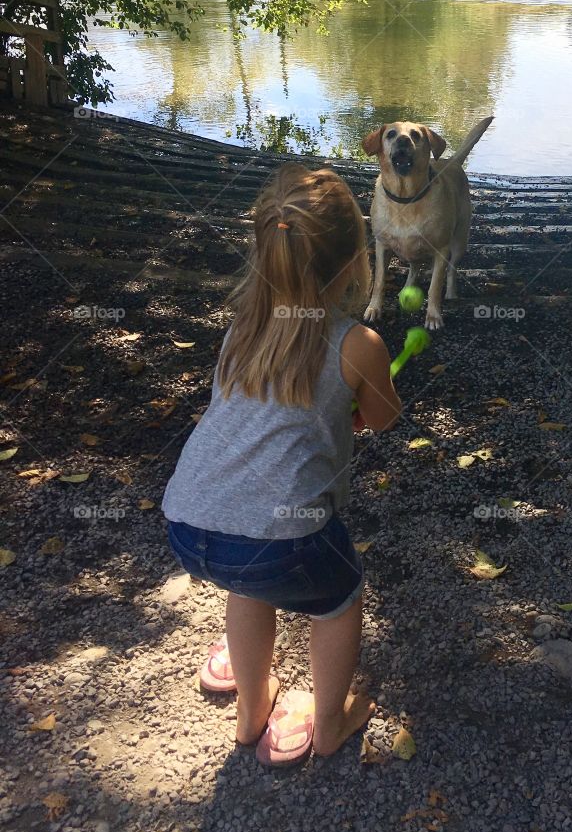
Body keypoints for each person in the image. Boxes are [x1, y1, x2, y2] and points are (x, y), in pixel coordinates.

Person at [162, 163, 401, 769]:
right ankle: (329, 723)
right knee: (341, 597)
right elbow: (383, 419)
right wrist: (363, 391)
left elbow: (265, 411)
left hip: (190, 524)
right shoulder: (358, 343)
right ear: (354, 261)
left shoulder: (245, 328)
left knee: (247, 584)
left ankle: (250, 713)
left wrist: (330, 408)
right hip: (281, 538)